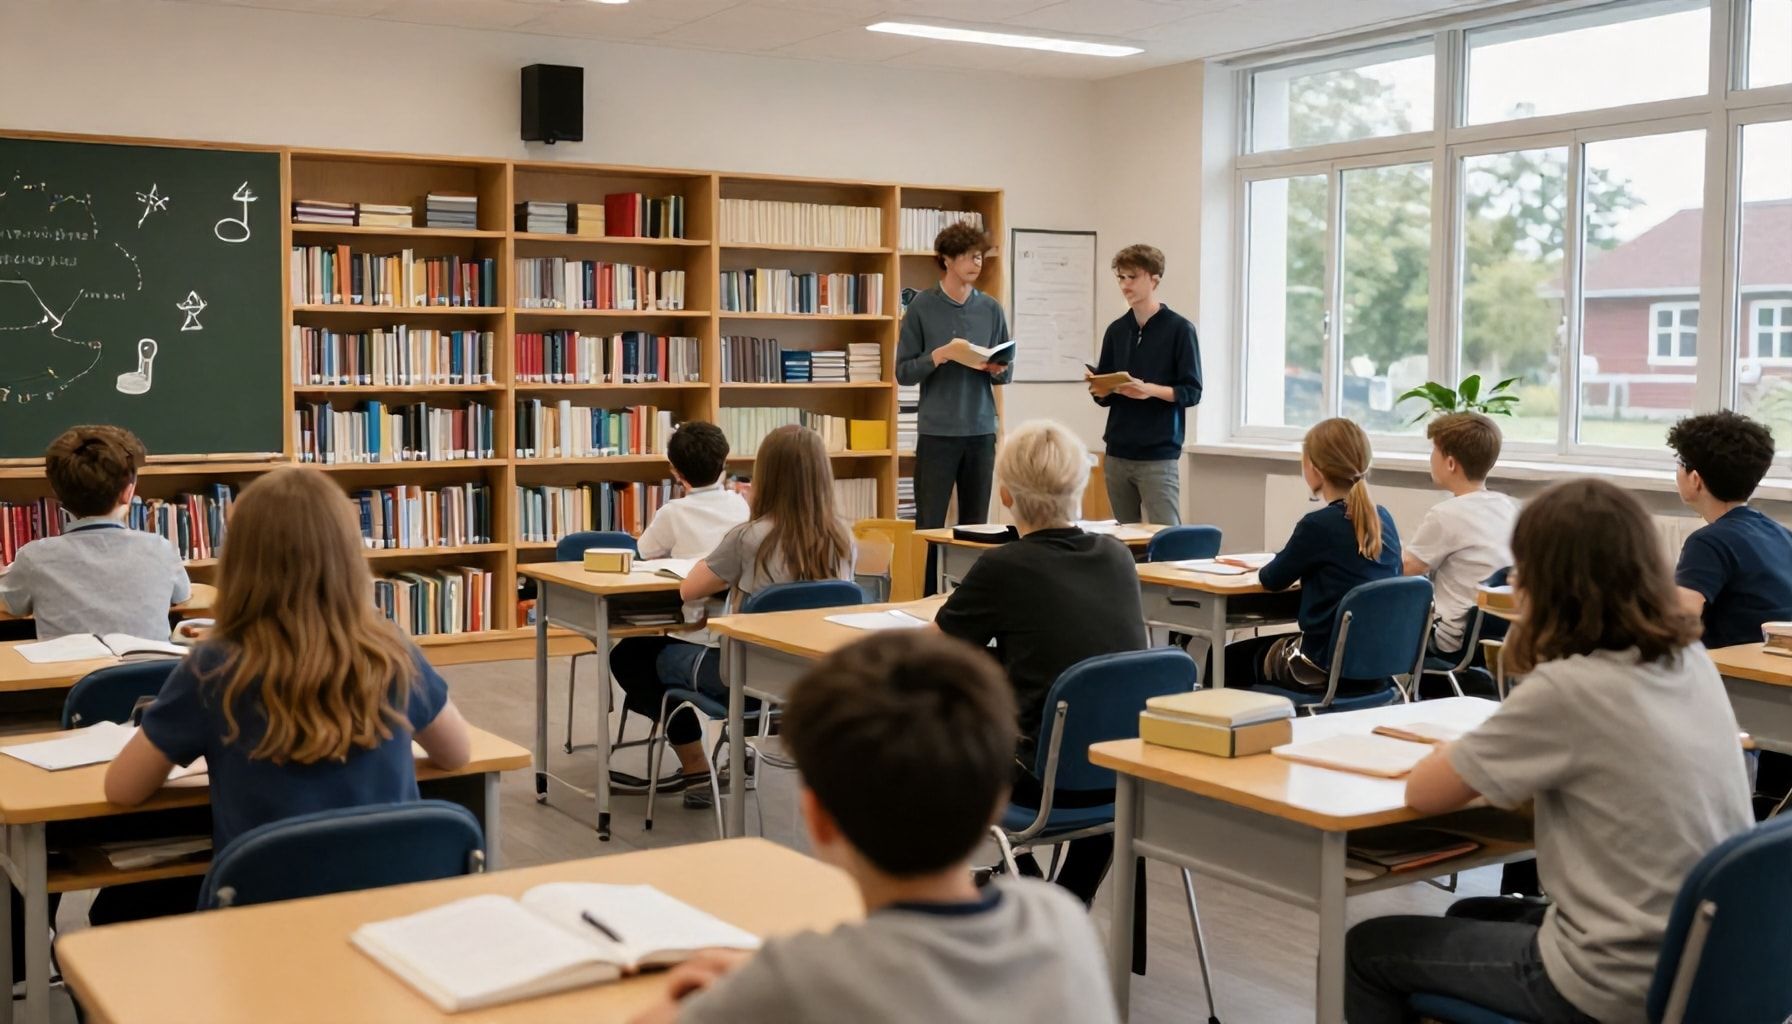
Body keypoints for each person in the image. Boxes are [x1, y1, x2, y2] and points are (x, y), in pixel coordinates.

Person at [1345, 478, 1753, 1023]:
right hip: (1706, 960)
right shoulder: (1688, 661)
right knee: (1471, 911)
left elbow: (1425, 791)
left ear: (1538, 578)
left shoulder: (1569, 686)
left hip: (1612, 980)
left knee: (1368, 949)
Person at [628, 630, 1118, 1024]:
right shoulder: (1059, 922)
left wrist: (746, 989)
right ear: (995, 801)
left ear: (818, 818)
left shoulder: (798, 981)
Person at [100, 465, 472, 922]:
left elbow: (122, 789)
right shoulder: (391, 650)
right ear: (349, 555)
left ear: (238, 560)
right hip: (388, 914)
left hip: (262, 918)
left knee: (112, 916)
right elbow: (457, 754)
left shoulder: (213, 666)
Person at [934, 420, 1147, 904]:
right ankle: (1065, 893)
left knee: (935, 728)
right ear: (1082, 484)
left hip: (1038, 780)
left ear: (1005, 496)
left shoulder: (1004, 565)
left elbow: (935, 650)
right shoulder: (1118, 557)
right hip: (1124, 773)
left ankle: (1024, 883)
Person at [612, 425, 854, 809]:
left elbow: (689, 589)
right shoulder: (842, 539)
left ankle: (695, 768)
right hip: (814, 680)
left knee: (630, 655)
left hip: (743, 677)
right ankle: (736, 753)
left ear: (766, 477)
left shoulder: (749, 537)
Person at [606, 422, 749, 794]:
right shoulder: (740, 505)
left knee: (627, 658)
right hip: (744, 639)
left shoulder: (673, 512)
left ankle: (694, 763)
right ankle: (727, 753)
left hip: (702, 639)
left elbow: (645, 551)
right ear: (725, 463)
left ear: (675, 472)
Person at [1228, 417, 1400, 690]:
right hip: (1378, 666)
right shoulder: (1384, 520)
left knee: (1226, 657)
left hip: (1320, 665)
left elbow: (1272, 579)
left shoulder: (1317, 525)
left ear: (1315, 468)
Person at [895, 221, 1012, 593]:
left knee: (977, 526)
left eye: (979, 256)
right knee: (930, 524)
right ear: (946, 260)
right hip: (937, 432)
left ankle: (974, 598)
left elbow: (1004, 373)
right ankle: (928, 597)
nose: (975, 263)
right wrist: (939, 355)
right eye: (967, 256)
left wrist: (997, 368)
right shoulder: (921, 307)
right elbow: (903, 372)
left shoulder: (991, 309)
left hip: (980, 429)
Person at [0, 424, 190, 639]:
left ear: (57, 492)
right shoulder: (161, 549)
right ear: (128, 492)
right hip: (152, 671)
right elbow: (182, 595)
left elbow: (12, 605)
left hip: (70, 672)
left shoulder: (34, 557)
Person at [1086, 244, 1202, 526]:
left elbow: (1192, 391)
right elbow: (1107, 394)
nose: (1125, 285)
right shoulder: (1117, 329)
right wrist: (1100, 389)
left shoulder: (1180, 330)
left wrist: (1148, 390)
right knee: (1124, 539)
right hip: (1117, 450)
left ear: (1154, 278)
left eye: (1132, 277)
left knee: (1166, 535)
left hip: (1158, 453)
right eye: (1121, 278)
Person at [1667, 410, 1792, 651]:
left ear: (1695, 479)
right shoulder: (1782, 534)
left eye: (1680, 463)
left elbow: (1678, 622)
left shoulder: (1708, 543)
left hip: (1734, 676)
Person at [1403, 412, 1517, 663]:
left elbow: (1407, 568)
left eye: (1434, 451)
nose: (1430, 458)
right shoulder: (1507, 507)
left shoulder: (1445, 515)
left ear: (1451, 463)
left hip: (1452, 640)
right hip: (1496, 636)